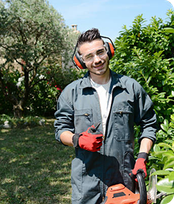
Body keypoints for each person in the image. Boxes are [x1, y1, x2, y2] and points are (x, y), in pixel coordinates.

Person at [54, 28, 157, 204]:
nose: (97, 60)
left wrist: (141, 157)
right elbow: (61, 130)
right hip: (86, 181)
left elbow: (149, 124)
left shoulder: (131, 88)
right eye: (89, 56)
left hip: (123, 178)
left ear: (108, 50)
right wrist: (77, 140)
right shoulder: (71, 92)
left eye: (100, 52)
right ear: (80, 62)